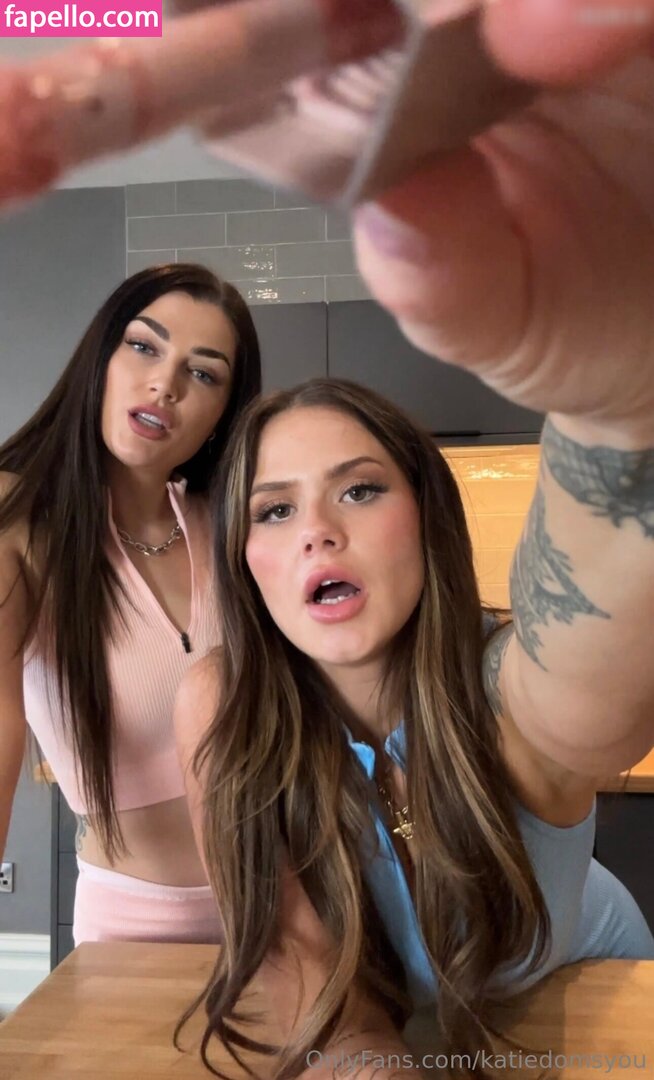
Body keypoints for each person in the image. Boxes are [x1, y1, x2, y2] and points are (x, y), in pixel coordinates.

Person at [172, 6, 654, 1078]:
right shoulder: (221, 704)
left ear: (426, 523)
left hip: (594, 999)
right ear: (246, 561)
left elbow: (598, 674)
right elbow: (298, 963)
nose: (317, 530)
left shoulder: (508, 695)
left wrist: (621, 393)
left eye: (359, 489)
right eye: (273, 510)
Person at [0, 262, 261, 945]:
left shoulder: (235, 523)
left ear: (224, 413)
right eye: (144, 346)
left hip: (288, 910)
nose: (165, 384)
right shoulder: (18, 523)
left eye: (203, 373)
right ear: (101, 357)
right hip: (135, 928)